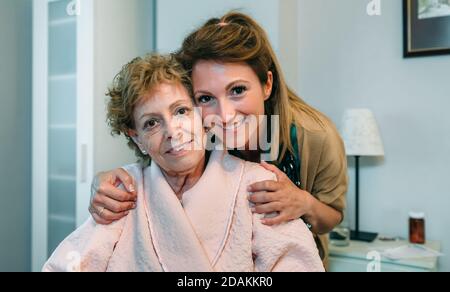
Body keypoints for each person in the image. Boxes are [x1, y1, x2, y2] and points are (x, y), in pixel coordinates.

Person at [89, 12, 348, 265]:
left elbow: (332, 217)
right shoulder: (199, 128)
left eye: (237, 90)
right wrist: (105, 182)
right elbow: (158, 155)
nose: (224, 116)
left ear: (267, 84)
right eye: (205, 98)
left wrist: (304, 203)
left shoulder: (314, 136)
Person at [43, 54, 324, 272]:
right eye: (151, 122)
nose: (172, 131)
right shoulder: (124, 191)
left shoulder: (255, 184)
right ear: (137, 137)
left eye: (180, 111)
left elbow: (298, 264)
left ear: (201, 116)